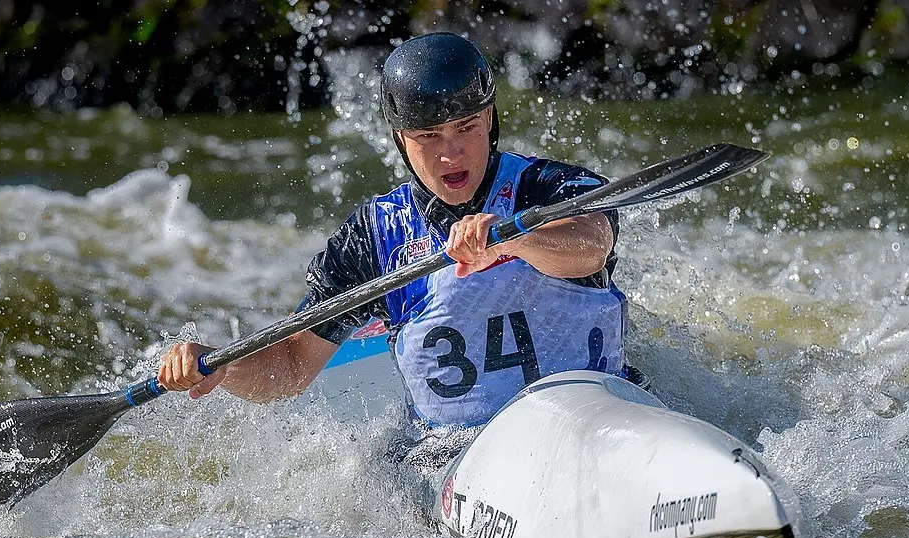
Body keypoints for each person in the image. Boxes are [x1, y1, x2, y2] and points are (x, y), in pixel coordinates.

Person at [157, 32, 632, 458]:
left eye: (466, 127)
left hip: (599, 413)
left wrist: (513, 242)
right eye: (429, 137)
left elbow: (591, 244)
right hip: (459, 454)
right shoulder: (375, 236)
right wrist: (221, 368)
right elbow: (291, 365)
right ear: (401, 140)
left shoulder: (548, 187)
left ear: (489, 120)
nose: (451, 153)